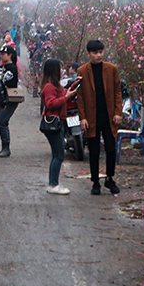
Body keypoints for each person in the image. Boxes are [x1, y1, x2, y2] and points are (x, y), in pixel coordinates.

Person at [76, 40, 123, 196]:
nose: (99, 55)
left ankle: (109, 178)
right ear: (88, 53)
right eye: (95, 52)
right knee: (94, 151)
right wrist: (82, 117)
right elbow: (80, 96)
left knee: (111, 149)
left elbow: (117, 92)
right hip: (91, 117)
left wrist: (118, 112)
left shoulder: (111, 69)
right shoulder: (82, 71)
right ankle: (95, 182)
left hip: (109, 116)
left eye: (101, 52)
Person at [40, 60, 79, 195]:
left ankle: (53, 183)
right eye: (60, 68)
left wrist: (74, 85)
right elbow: (51, 104)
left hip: (59, 122)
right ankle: (53, 184)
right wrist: (66, 97)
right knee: (59, 155)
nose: (62, 70)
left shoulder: (54, 85)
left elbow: (63, 94)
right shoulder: (49, 87)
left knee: (56, 155)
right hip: (54, 123)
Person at [0, 45, 19, 158]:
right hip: (1, 99)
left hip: (10, 99)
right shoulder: (0, 67)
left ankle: (6, 148)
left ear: (9, 55)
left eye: (4, 54)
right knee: (3, 122)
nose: (1, 56)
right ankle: (4, 147)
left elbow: (8, 83)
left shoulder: (12, 68)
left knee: (1, 122)